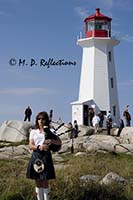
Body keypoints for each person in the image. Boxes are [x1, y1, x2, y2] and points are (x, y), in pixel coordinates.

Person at [26, 111, 61, 200]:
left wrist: (52, 141)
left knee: (45, 181)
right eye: (39, 119)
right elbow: (30, 145)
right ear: (37, 120)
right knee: (37, 180)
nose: (41, 120)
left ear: (46, 120)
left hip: (46, 156)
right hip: (36, 155)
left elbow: (59, 142)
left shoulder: (51, 130)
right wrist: (38, 147)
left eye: (43, 119)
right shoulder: (34, 131)